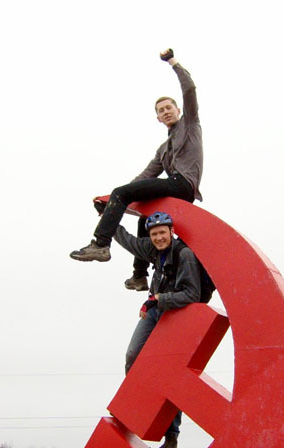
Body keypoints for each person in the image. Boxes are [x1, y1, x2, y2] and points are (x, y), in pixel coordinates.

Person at [70, 48, 203, 294]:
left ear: (178, 111)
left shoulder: (191, 125)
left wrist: (172, 62)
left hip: (182, 184)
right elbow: (144, 178)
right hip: (172, 187)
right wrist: (114, 201)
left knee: (123, 193)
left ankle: (100, 243)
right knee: (144, 218)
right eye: (161, 111)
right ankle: (139, 276)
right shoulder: (163, 149)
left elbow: (190, 90)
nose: (165, 112)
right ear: (158, 119)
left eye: (168, 107)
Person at [114, 210, 200, 448]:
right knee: (133, 355)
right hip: (155, 310)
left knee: (170, 375)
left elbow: (192, 294)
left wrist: (160, 299)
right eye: (154, 234)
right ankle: (134, 408)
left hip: (177, 316)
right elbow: (129, 241)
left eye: (163, 232)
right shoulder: (154, 251)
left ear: (172, 232)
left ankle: (171, 436)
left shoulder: (184, 255)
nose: (159, 238)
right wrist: (108, 219)